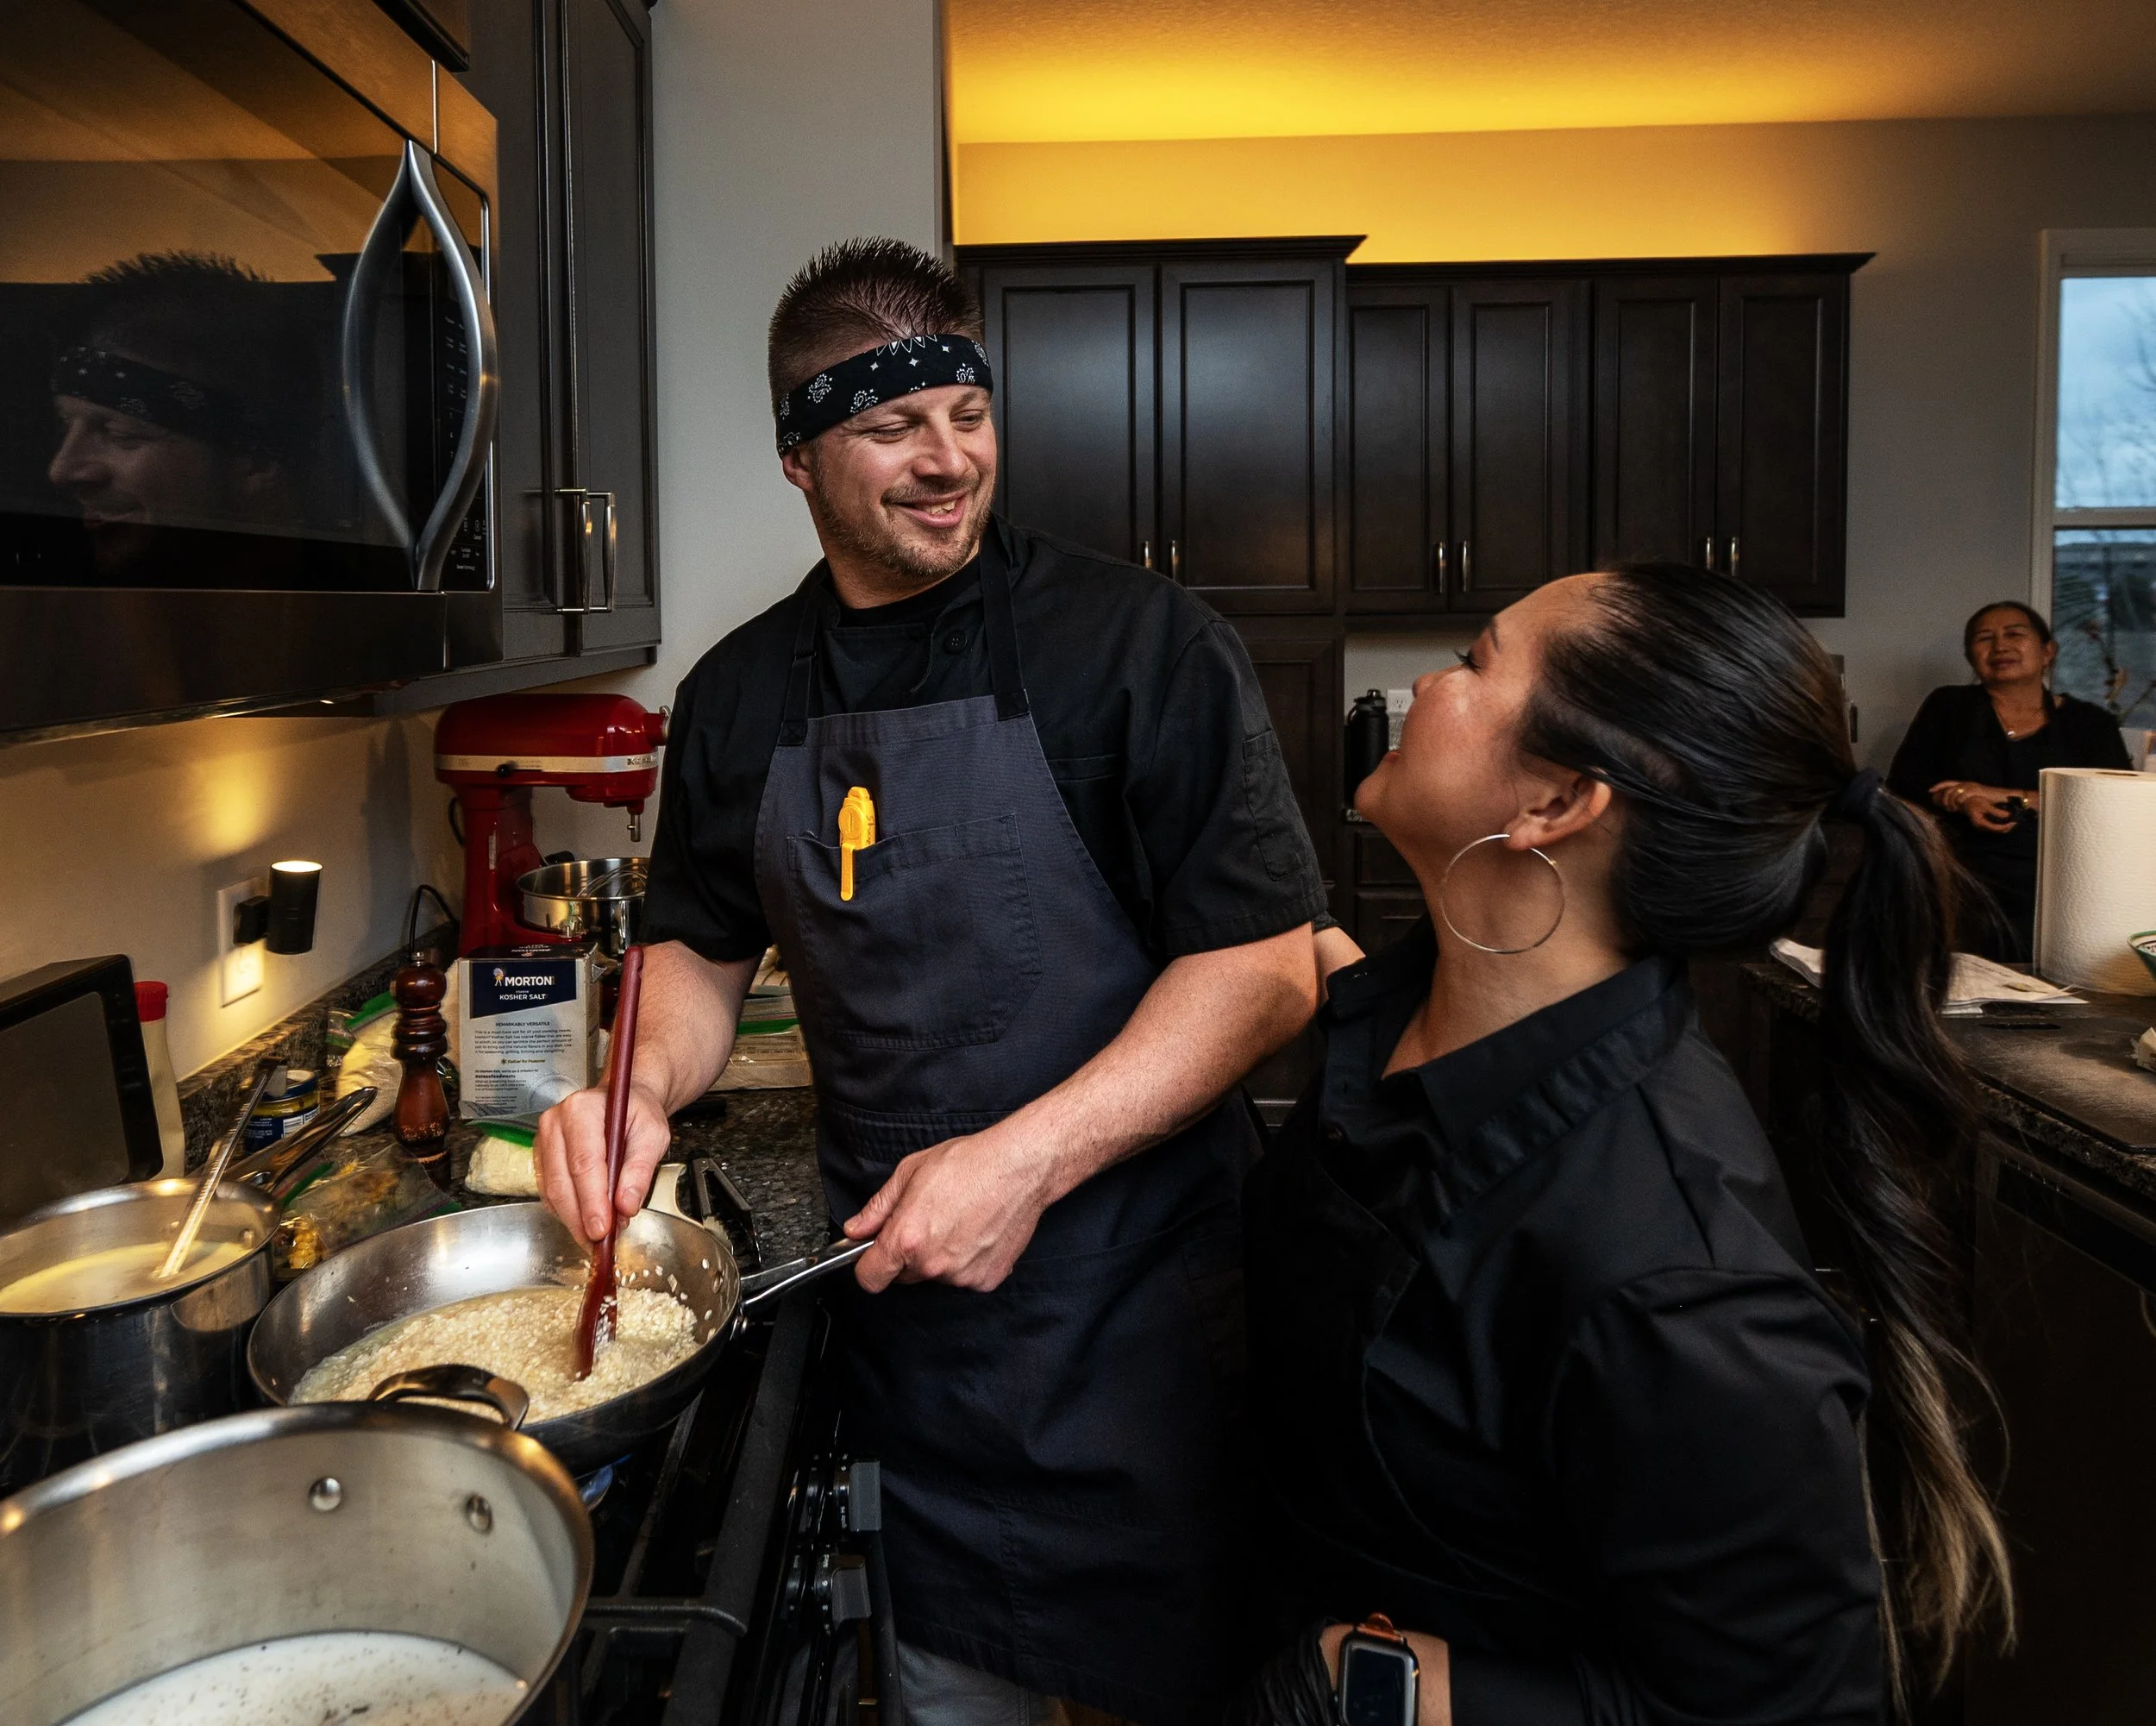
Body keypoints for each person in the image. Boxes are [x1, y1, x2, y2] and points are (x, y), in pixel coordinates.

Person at [535, 238, 1329, 1725]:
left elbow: (1268, 972)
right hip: (909, 1327)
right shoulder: (741, 693)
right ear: (799, 457)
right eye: (895, 427)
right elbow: (698, 949)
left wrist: (1030, 1158)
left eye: (967, 413)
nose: (948, 458)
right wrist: (632, 1085)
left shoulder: (1141, 646)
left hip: (1141, 1326)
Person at [1241, 563, 2013, 1726]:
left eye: (1473, 662)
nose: (1423, 681)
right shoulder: (1399, 1019)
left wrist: (1379, 1690)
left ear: (1556, 803)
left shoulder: (1677, 1283)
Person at [44, 251, 318, 584]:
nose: (61, 470)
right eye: (65, 426)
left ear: (253, 458)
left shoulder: (358, 624)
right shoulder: (67, 609)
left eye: (121, 433)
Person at [1888, 599, 2131, 961]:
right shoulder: (1949, 706)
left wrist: (2001, 794)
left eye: (2014, 634)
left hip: (2058, 878)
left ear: (2047, 651)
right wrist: (1958, 797)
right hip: (1960, 875)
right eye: (1984, 638)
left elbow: (2113, 801)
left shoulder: (2090, 723)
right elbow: (1903, 781)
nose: (2000, 646)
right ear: (1972, 657)